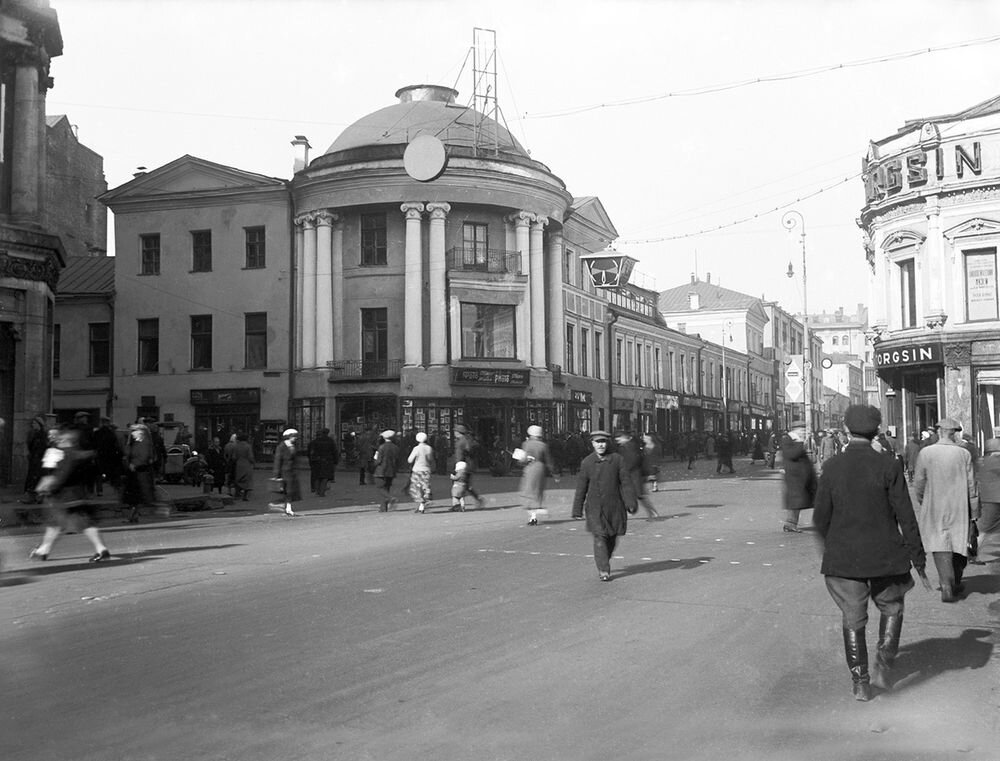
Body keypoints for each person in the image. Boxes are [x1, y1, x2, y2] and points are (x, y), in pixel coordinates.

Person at [813, 405, 931, 701]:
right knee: (892, 608)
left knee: (852, 617)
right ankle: (883, 666)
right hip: (886, 557)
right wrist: (918, 558)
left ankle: (860, 682)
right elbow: (906, 517)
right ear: (877, 430)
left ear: (845, 429)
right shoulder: (889, 466)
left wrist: (831, 548)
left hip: (844, 559)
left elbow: (820, 519)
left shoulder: (832, 467)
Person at [912, 417, 977, 602]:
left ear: (939, 431)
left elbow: (919, 482)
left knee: (940, 544)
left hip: (935, 505)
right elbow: (972, 486)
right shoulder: (964, 454)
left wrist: (924, 500)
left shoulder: (926, 453)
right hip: (959, 506)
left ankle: (946, 585)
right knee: (958, 542)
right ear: (954, 433)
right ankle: (955, 580)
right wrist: (974, 513)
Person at [29, 426, 112, 563]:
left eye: (61, 438)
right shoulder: (75, 453)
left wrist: (48, 486)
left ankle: (43, 550)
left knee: (55, 523)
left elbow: (61, 475)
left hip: (64, 496)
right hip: (77, 495)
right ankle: (101, 549)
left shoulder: (66, 454)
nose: (59, 440)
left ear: (67, 439)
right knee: (84, 524)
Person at [571, 430, 638, 581]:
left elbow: (626, 483)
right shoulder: (587, 462)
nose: (600, 445)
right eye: (597, 442)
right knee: (600, 537)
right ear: (592, 444)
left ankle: (604, 558)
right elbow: (581, 487)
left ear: (607, 443)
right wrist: (577, 509)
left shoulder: (617, 460)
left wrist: (631, 503)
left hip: (614, 507)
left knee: (612, 538)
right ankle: (603, 570)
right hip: (595, 508)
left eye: (603, 442)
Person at [781, 421, 817, 533]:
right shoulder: (788, 439)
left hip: (800, 477)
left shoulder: (796, 440)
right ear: (795, 429)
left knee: (798, 500)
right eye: (801, 430)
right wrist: (800, 443)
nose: (803, 432)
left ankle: (791, 523)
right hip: (794, 477)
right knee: (795, 501)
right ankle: (790, 524)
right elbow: (792, 454)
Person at [520, 425, 558, 526]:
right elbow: (549, 460)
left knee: (528, 491)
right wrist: (554, 473)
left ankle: (533, 516)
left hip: (530, 468)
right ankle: (535, 514)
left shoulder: (526, 444)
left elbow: (523, 459)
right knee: (537, 491)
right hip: (540, 468)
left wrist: (521, 460)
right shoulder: (543, 445)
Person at [615, 430, 658, 520]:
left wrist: (623, 469)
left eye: (619, 438)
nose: (617, 440)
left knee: (638, 495)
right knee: (636, 495)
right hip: (633, 475)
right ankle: (645, 511)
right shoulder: (627, 446)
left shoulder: (629, 446)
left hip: (633, 475)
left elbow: (632, 461)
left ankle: (650, 512)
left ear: (624, 438)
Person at [122, 422, 157, 523]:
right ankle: (134, 514)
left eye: (133, 431)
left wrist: (134, 464)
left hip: (140, 470)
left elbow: (143, 455)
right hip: (135, 471)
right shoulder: (136, 442)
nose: (132, 433)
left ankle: (134, 514)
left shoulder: (143, 442)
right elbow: (127, 452)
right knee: (135, 495)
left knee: (138, 494)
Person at [972, 438, 1000, 565]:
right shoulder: (995, 462)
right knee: (985, 528)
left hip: (984, 498)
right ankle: (978, 555)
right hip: (994, 499)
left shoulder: (980, 462)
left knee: (985, 527)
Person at [269, 428, 301, 517]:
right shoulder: (281, 447)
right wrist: (276, 474)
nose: (295, 438)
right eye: (294, 436)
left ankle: (288, 508)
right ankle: (277, 504)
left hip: (292, 472)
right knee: (288, 491)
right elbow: (278, 460)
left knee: (291, 492)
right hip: (284, 472)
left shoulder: (294, 446)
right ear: (289, 437)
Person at [453, 424, 485, 508]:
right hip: (468, 465)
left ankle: (459, 504)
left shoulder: (461, 442)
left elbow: (461, 454)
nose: (454, 433)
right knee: (465, 485)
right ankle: (476, 499)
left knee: (460, 484)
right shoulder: (467, 440)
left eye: (455, 431)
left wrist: (458, 465)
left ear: (458, 432)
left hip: (463, 466)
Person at [20, 416, 49, 504]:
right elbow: (31, 446)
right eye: (32, 423)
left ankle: (36, 497)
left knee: (36, 479)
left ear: (39, 424)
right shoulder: (34, 434)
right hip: (34, 460)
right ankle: (35, 497)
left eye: (34, 423)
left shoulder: (43, 435)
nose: (33, 425)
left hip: (40, 461)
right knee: (33, 479)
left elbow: (44, 448)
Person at [373, 430, 400, 512]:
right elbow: (397, 460)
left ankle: (390, 498)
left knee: (380, 487)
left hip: (381, 470)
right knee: (387, 487)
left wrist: (374, 463)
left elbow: (378, 460)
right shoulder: (396, 447)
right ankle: (383, 507)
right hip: (391, 470)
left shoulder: (381, 447)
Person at [407, 431, 434, 514]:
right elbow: (430, 459)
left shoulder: (416, 448)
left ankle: (421, 503)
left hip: (417, 470)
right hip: (426, 470)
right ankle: (422, 504)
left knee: (416, 487)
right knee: (425, 486)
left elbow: (410, 460)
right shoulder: (429, 448)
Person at [307, 428, 339, 498]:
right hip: (327, 460)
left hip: (317, 461)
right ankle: (322, 492)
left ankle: (317, 491)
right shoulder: (330, 441)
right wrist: (336, 461)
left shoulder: (315, 441)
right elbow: (334, 451)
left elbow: (310, 452)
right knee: (325, 476)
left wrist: (312, 460)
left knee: (317, 476)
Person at [231, 432, 256, 501]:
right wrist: (253, 463)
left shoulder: (236, 446)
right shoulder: (248, 446)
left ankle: (237, 493)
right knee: (247, 481)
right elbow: (250, 457)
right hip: (247, 465)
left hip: (238, 465)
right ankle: (245, 496)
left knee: (239, 479)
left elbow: (234, 457)